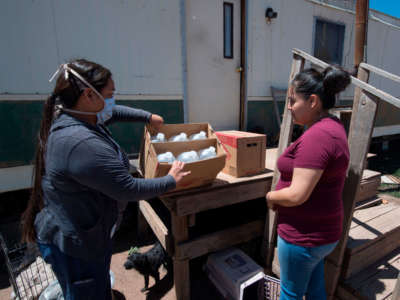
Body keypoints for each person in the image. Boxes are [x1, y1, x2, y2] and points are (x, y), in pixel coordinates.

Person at [21, 59, 190, 300]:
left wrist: (148, 117)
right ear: (89, 95)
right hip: (76, 245)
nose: (112, 100)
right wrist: (171, 180)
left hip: (83, 232)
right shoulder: (80, 142)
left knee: (92, 289)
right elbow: (127, 188)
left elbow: (114, 112)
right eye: (109, 94)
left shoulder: (79, 116)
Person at [266, 66, 351, 300]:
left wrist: (271, 197)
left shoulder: (318, 137)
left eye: (293, 101)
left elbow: (297, 195)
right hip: (322, 235)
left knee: (290, 294)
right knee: (314, 290)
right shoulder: (332, 127)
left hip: (303, 237)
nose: (289, 107)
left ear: (313, 101)